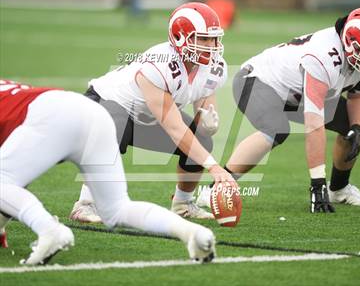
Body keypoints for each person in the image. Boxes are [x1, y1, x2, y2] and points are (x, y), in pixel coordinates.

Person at [196, 7, 360, 213]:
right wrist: (317, 184)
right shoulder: (324, 55)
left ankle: (339, 189)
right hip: (256, 81)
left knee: (359, 125)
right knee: (276, 128)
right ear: (350, 43)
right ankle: (214, 190)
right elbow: (314, 125)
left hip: (295, 93)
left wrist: (356, 128)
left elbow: (358, 96)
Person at [0, 80, 216, 265]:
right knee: (117, 209)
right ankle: (191, 233)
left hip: (50, 117)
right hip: (91, 113)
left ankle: (49, 229)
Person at [69, 2, 233, 223]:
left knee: (202, 141)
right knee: (113, 129)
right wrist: (213, 167)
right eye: (203, 39)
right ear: (180, 37)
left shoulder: (213, 67)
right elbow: (174, 128)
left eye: (214, 39)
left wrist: (207, 125)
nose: (211, 45)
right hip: (104, 103)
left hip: (143, 116)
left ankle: (183, 204)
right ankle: (85, 204)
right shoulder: (159, 65)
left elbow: (202, 113)